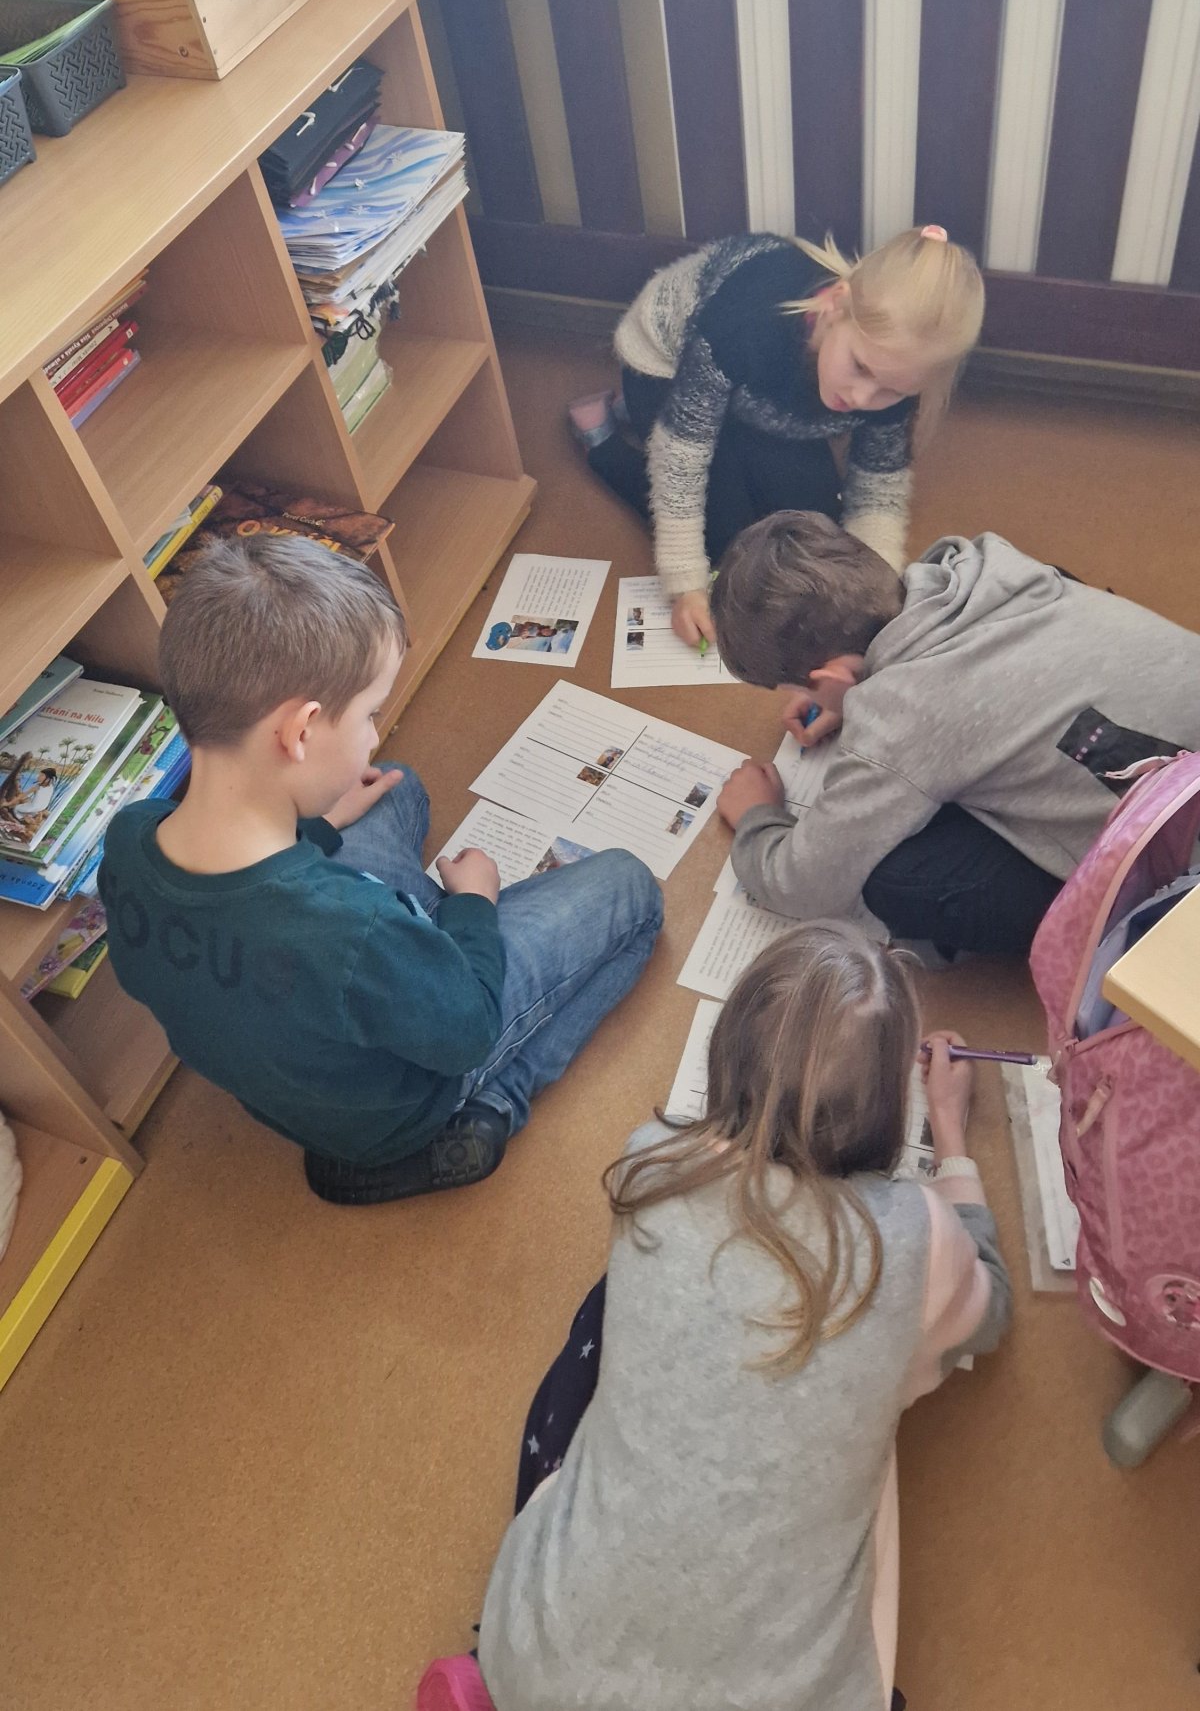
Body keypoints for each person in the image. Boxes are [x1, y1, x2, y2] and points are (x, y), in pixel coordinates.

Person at [417, 924, 1011, 1711]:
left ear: (727, 1057)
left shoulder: (652, 1160)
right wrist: (954, 1133)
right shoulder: (917, 1239)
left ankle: (492, 1682)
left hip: (542, 1668)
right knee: (878, 1425)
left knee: (603, 1317)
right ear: (886, 1106)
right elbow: (991, 1311)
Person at [98, 537, 663, 1206]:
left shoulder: (130, 834)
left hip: (304, 1055)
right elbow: (469, 1030)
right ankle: (492, 1105)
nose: (374, 733)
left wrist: (315, 828)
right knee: (632, 889)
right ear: (301, 732)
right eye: (369, 715)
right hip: (401, 1106)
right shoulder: (352, 930)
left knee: (395, 785)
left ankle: (418, 942)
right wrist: (473, 906)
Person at [710, 510, 1200, 957]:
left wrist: (757, 817)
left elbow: (803, 887)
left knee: (895, 880)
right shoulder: (978, 564)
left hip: (1183, 868)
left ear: (832, 676)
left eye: (800, 687)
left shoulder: (899, 717)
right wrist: (847, 693)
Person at [567, 226, 984, 647]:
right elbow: (681, 457)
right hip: (667, 370)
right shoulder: (745, 325)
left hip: (756, 397)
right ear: (835, 305)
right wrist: (686, 585)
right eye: (860, 367)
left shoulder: (895, 373)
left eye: (891, 391)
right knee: (730, 547)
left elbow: (878, 492)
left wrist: (876, 596)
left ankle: (696, 423)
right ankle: (606, 444)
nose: (862, 398)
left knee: (818, 528)